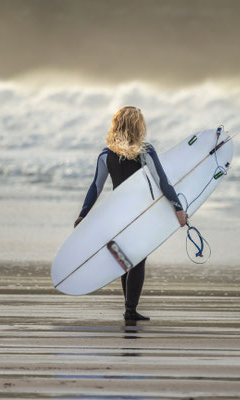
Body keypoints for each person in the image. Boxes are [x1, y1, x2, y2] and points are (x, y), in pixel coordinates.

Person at [74, 106, 188, 321]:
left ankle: (129, 308)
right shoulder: (145, 152)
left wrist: (83, 214)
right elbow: (162, 182)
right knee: (137, 259)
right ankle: (130, 310)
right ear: (138, 126)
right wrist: (178, 208)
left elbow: (96, 187)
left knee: (126, 260)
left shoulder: (106, 154)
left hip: (116, 216)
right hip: (139, 215)